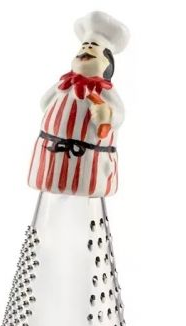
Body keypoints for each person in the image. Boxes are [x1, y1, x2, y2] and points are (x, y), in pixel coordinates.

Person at [28, 11, 129, 197]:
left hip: (88, 160)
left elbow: (119, 115)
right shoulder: (64, 83)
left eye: (93, 47)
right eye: (84, 46)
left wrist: (108, 113)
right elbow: (44, 102)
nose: (87, 48)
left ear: (107, 63)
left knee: (86, 190)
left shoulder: (104, 90)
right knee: (49, 190)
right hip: (49, 153)